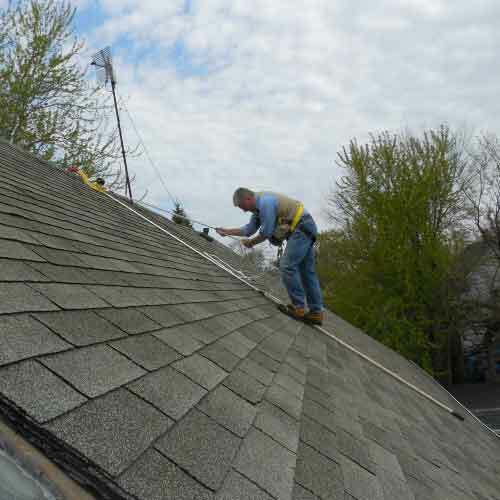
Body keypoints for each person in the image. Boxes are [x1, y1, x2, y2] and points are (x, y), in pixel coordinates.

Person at [216, 187, 324, 325]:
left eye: (243, 206)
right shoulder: (258, 209)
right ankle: (316, 313)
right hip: (306, 228)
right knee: (307, 273)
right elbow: (248, 230)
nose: (244, 210)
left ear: (248, 199)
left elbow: (266, 232)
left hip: (301, 228)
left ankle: (299, 308)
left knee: (287, 266)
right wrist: (227, 231)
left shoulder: (266, 203)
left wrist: (251, 243)